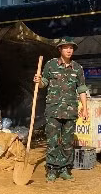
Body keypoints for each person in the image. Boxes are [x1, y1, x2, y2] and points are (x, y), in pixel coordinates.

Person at [34, 37, 89, 182]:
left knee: (67, 142)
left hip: (70, 111)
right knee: (52, 141)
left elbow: (82, 89)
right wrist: (39, 82)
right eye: (66, 47)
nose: (69, 50)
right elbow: (44, 83)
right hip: (53, 110)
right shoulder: (51, 65)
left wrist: (85, 107)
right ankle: (52, 169)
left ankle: (65, 169)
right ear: (60, 49)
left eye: (71, 48)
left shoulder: (77, 68)